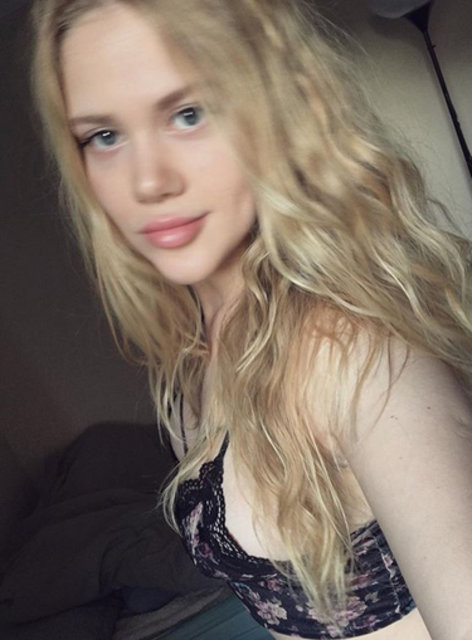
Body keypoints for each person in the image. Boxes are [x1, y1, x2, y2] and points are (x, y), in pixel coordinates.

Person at [31, 1, 472, 638]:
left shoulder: (352, 354)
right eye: (104, 136)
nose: (147, 181)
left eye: (189, 113)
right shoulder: (196, 339)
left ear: (272, 106)